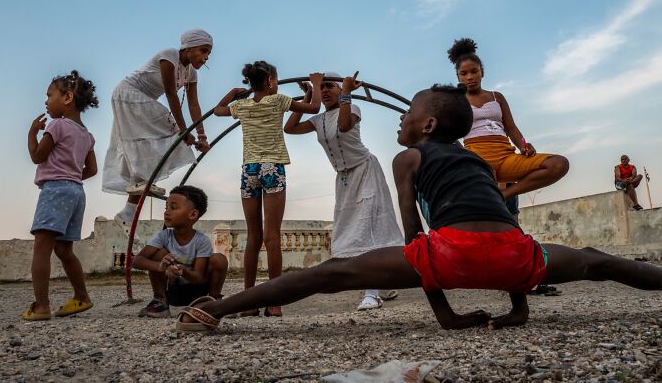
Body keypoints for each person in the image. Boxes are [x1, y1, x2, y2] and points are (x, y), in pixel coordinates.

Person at [173, 84, 662, 333]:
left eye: (406, 116)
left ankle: (215, 311)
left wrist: (445, 315)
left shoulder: (407, 157)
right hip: (518, 256)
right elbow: (499, 227)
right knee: (599, 261)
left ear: (426, 126)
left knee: (331, 272)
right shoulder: (473, 160)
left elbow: (416, 240)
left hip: (451, 254)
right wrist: (518, 305)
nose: (400, 123)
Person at [284, 71, 404, 310]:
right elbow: (290, 128)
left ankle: (372, 293)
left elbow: (344, 125)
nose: (326, 91)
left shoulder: (352, 108)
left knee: (368, 227)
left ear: (341, 89)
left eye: (330, 86)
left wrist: (347, 93)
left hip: (365, 170)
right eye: (323, 87)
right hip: (344, 178)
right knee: (349, 226)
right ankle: (384, 282)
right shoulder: (318, 120)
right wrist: (310, 94)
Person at [213, 62, 324, 317]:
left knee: (254, 236)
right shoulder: (278, 101)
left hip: (249, 170)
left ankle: (249, 301)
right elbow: (314, 108)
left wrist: (233, 93)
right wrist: (316, 85)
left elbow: (218, 110)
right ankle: (274, 302)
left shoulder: (243, 106)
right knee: (272, 236)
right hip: (272, 168)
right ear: (272, 81)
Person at [103, 29, 213, 231]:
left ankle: (127, 212)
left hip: (143, 101)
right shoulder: (170, 55)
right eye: (203, 51)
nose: (205, 58)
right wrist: (183, 130)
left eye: (209, 54)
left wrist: (201, 135)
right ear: (188, 47)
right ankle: (139, 178)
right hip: (129, 94)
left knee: (149, 146)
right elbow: (171, 94)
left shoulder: (191, 73)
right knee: (163, 130)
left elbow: (194, 105)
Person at [448, 38, 569, 200]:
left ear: (482, 72)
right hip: (477, 157)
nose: (470, 77)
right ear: (458, 77)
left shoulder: (497, 97)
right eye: (464, 74)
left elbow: (511, 128)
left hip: (506, 156)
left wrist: (523, 145)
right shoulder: (457, 101)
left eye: (474, 71)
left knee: (559, 164)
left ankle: (505, 194)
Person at [22, 71, 99, 321]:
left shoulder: (57, 124)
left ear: (67, 97)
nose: (46, 101)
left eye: (49, 95)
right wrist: (71, 177)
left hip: (55, 190)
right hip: (76, 192)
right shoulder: (87, 135)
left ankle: (41, 305)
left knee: (42, 247)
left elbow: (37, 156)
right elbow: (92, 170)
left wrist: (32, 133)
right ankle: (81, 296)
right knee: (64, 250)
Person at [133, 185, 228, 318]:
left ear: (193, 214)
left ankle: (214, 302)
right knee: (159, 254)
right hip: (173, 290)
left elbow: (198, 277)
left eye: (173, 207)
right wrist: (162, 268)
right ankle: (160, 301)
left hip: (197, 292)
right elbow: (137, 260)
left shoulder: (201, 240)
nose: (166, 212)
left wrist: (183, 271)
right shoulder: (164, 236)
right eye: (166, 207)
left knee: (219, 259)